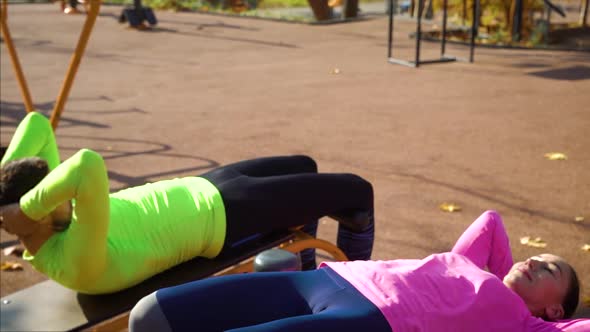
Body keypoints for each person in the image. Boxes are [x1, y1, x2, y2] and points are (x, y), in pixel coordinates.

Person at [0, 112, 375, 294]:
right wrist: (27, 208)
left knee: (304, 165)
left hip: (203, 186)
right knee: (358, 193)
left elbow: (37, 123)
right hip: (223, 216)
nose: (65, 194)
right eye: (53, 195)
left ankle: (304, 268)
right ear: (37, 214)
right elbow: (86, 164)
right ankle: (356, 293)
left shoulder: (54, 224)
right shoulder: (75, 260)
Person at [128, 210, 589, 332]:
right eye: (538, 255)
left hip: (371, 320)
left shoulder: (526, 326)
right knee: (149, 316)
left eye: (551, 268)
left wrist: (520, 301)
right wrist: (505, 273)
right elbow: (490, 219)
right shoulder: (470, 263)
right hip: (326, 279)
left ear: (553, 308)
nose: (536, 260)